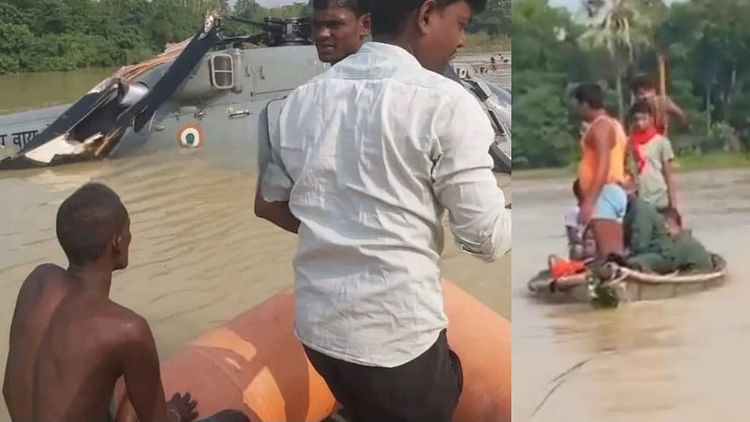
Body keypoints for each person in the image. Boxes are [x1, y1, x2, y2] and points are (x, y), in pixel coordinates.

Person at [254, 0, 511, 420]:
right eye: (461, 24)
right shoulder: (446, 102)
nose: (463, 40)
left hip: (318, 331)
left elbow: (272, 203)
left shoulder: (293, 104)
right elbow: (487, 239)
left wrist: (341, 228)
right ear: (426, 15)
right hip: (394, 341)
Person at [2, 183, 246, 422]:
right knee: (235, 419)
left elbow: (9, 389)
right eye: (128, 229)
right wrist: (173, 413)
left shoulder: (38, 281)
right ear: (117, 242)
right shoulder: (127, 330)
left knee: (124, 380)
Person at [573, 83, 629, 261]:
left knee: (608, 257)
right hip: (612, 192)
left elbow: (603, 165)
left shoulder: (601, 126)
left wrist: (589, 202)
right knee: (612, 256)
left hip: (604, 194)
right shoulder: (615, 125)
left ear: (585, 104)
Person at [628, 99, 678, 211]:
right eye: (636, 120)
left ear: (651, 119)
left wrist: (673, 204)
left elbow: (668, 175)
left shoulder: (661, 142)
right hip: (639, 199)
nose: (639, 123)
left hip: (659, 197)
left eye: (643, 119)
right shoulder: (629, 144)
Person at [622, 181, 676, 274]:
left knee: (630, 264)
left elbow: (641, 244)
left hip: (661, 255)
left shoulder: (639, 210)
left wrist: (625, 256)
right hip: (648, 253)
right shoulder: (628, 209)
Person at [311, 0, 371, 65]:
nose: (322, 34)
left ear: (365, 25)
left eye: (334, 24)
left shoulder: (379, 73)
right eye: (317, 25)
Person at [564, 179, 596, 261]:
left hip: (593, 243)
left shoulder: (596, 210)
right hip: (580, 245)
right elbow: (573, 236)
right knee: (578, 248)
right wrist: (585, 245)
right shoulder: (573, 211)